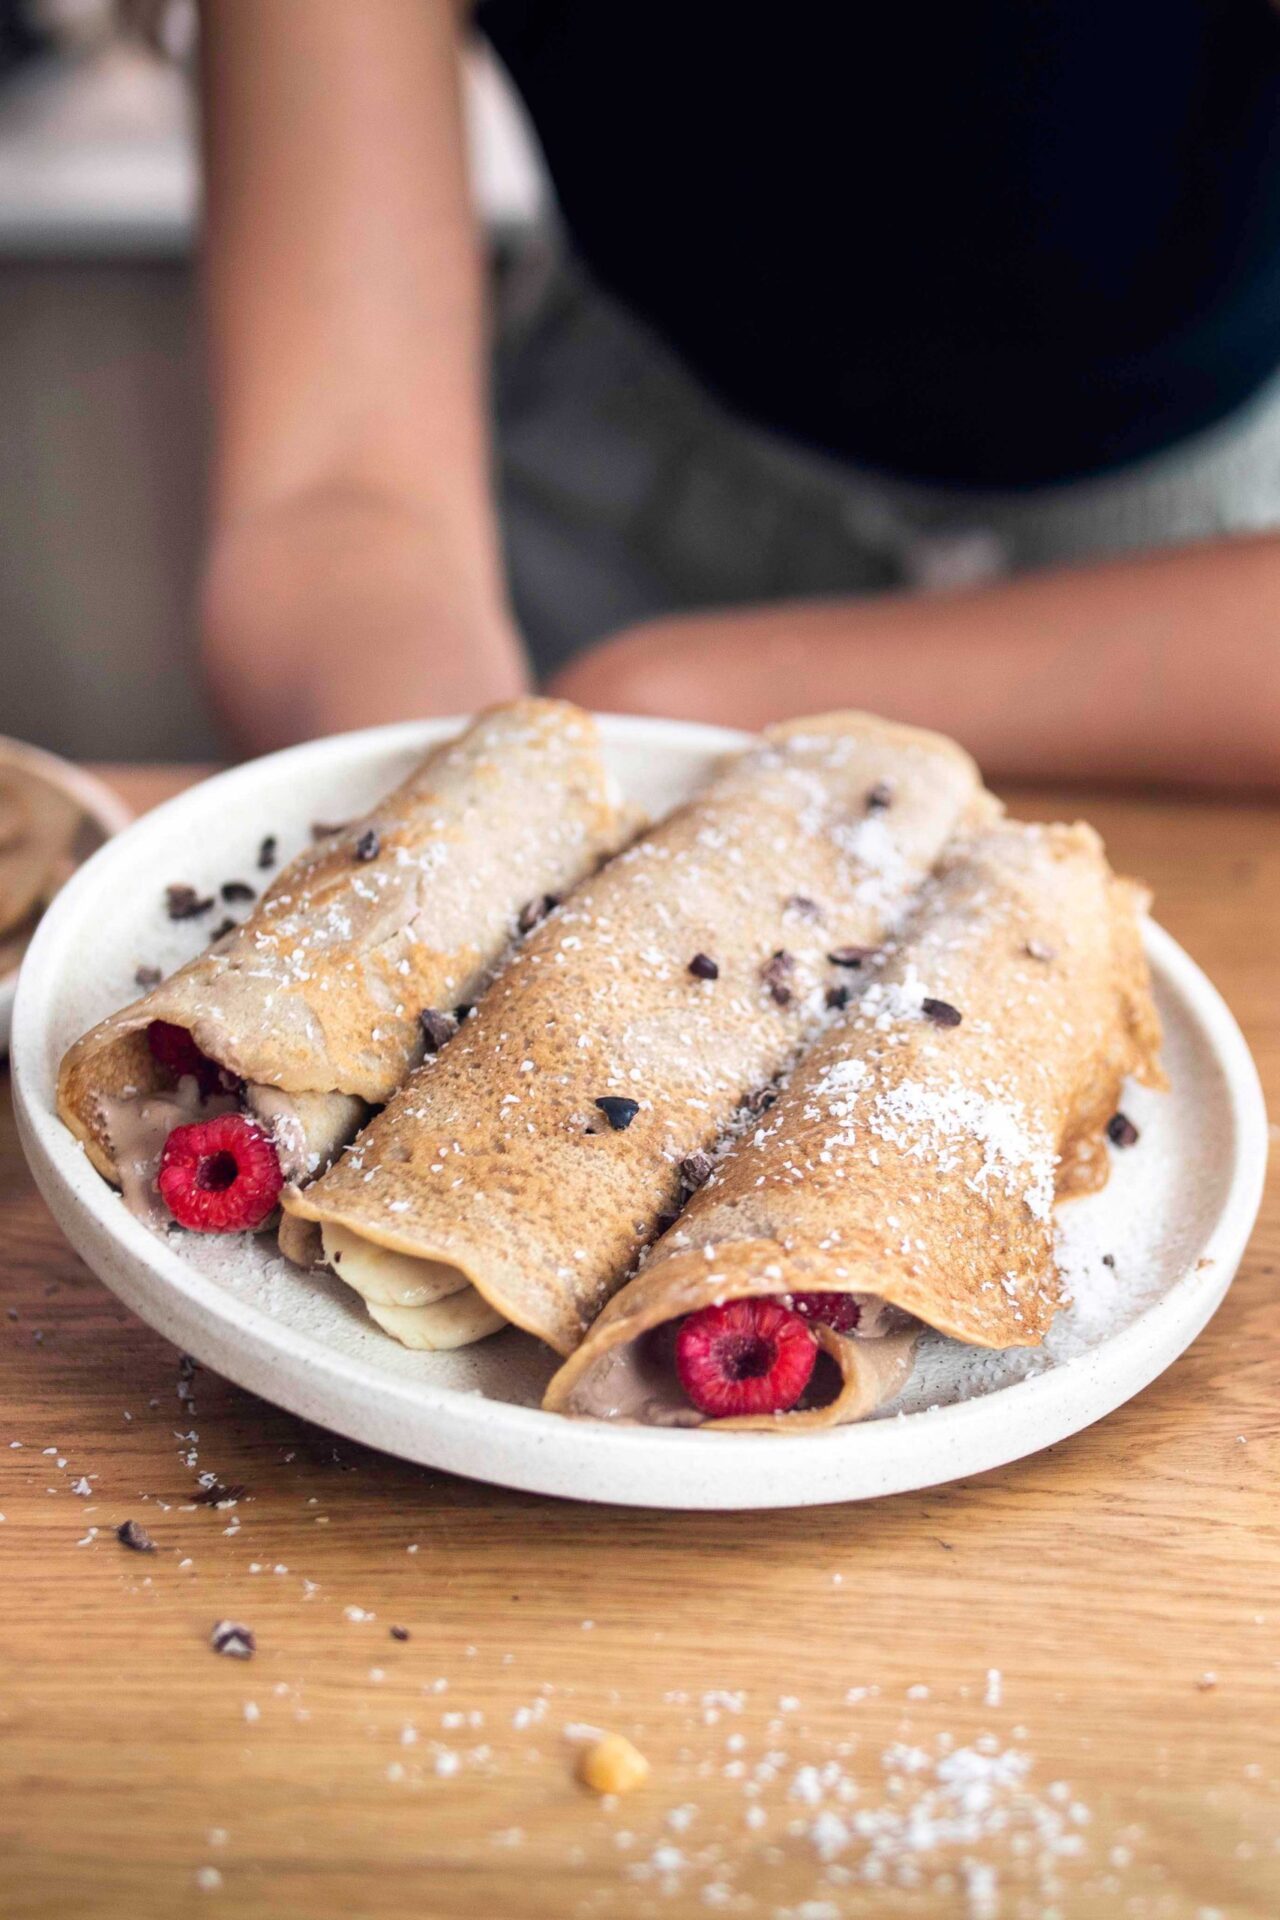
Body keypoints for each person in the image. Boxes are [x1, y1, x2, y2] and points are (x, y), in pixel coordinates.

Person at [197, 1, 1280, 784]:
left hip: (1200, 574)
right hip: (598, 475)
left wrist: (681, 697)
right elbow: (335, 483)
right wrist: (457, 815)